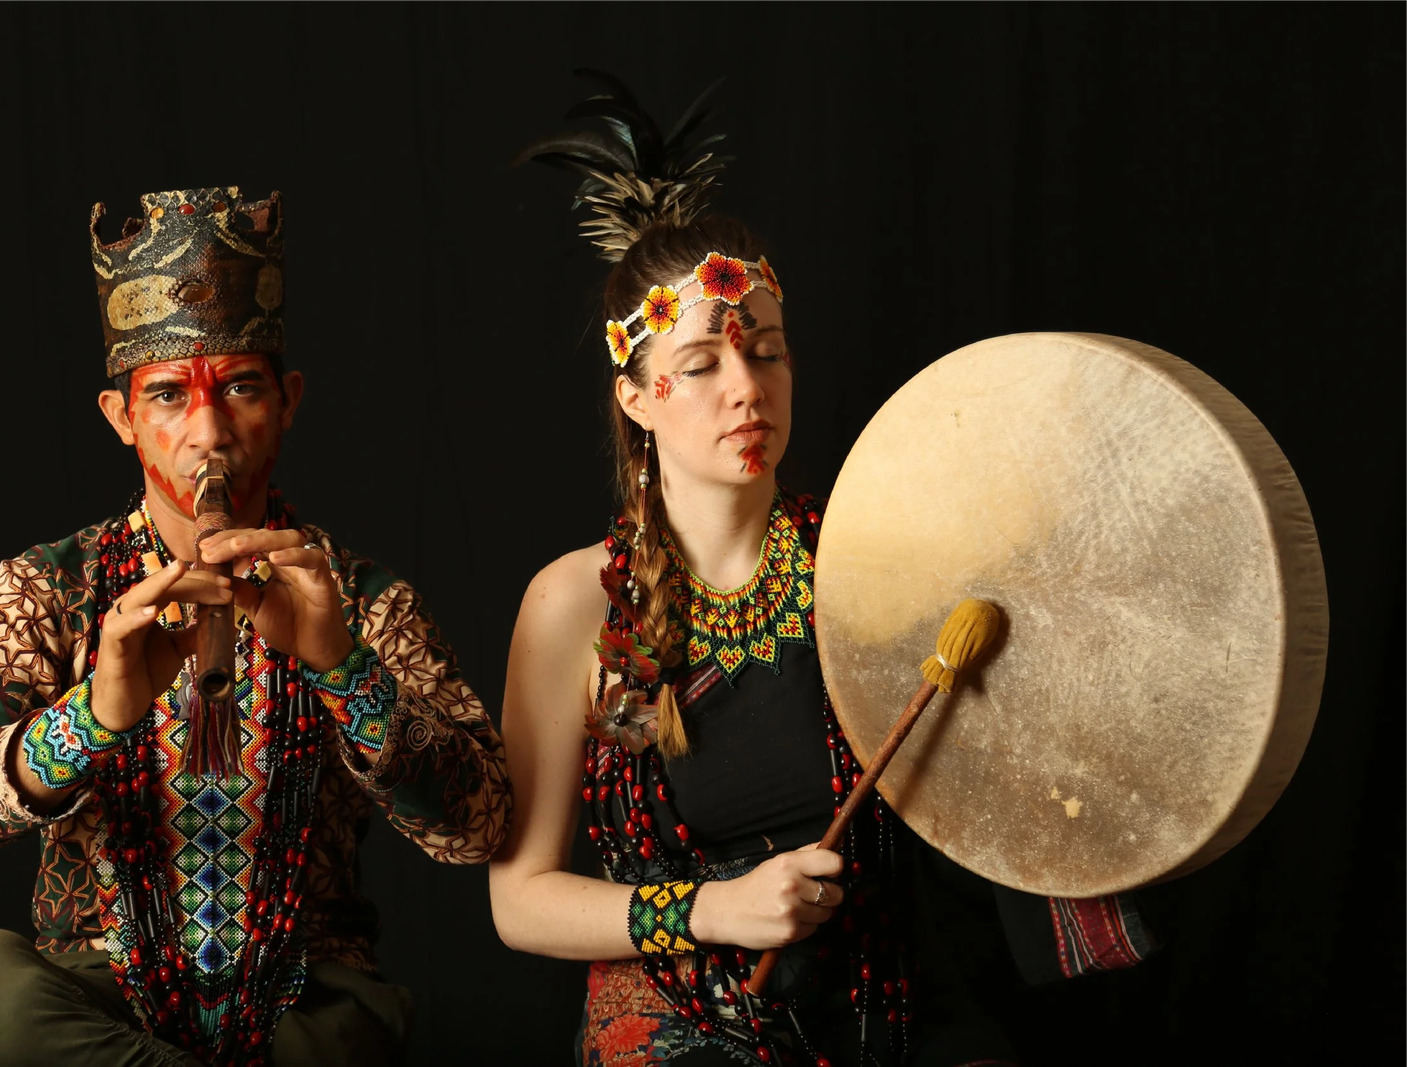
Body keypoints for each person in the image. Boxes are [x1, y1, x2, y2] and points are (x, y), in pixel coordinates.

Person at [489, 78, 1155, 1066]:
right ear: (635, 396)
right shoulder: (570, 604)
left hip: (887, 1002)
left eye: (765, 349)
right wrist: (714, 907)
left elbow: (1011, 767)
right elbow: (519, 900)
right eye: (704, 361)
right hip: (682, 1019)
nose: (746, 386)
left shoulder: (871, 563)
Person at [0, 186, 511, 1067]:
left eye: (239, 388)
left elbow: (480, 828)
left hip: (304, 992)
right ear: (121, 418)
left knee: (353, 1028)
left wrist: (342, 666)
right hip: (100, 998)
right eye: (166, 396)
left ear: (288, 401)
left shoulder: (363, 596)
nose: (209, 432)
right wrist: (95, 714)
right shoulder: (44, 586)